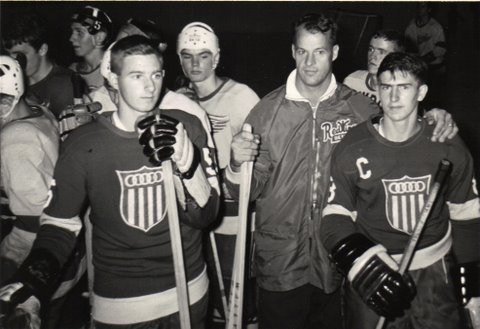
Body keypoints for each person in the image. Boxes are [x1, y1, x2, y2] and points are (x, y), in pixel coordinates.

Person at [225, 13, 457, 329]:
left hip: (335, 263)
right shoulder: (265, 112)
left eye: (319, 51)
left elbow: (403, 129)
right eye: (302, 51)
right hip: (279, 264)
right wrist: (238, 164)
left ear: (334, 53)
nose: (309, 62)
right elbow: (244, 194)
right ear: (293, 52)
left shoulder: (360, 110)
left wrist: (434, 117)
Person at [0, 35, 220, 329]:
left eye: (155, 74)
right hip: (120, 305)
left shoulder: (186, 125)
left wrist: (187, 163)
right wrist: (32, 283)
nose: (149, 85)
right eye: (136, 75)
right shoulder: (84, 143)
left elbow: (206, 216)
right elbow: (59, 227)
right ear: (113, 80)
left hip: (189, 291)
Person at [320, 52, 480, 329]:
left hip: (434, 275)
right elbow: (333, 218)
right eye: (386, 87)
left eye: (404, 87)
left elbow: (467, 217)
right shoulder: (353, 145)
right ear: (377, 91)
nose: (393, 98)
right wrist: (364, 267)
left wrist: (474, 291)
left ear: (422, 92)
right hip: (373, 271)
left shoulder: (448, 144)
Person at [176, 22, 260, 327]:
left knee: (239, 303)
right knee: (208, 299)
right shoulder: (177, 102)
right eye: (187, 56)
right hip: (196, 217)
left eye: (203, 55)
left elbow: (261, 159)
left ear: (217, 57)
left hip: (234, 218)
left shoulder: (241, 96)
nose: (195, 63)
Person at [0, 55, 87, 329]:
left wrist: (8, 258)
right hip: (71, 248)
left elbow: (34, 219)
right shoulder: (37, 108)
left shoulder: (14, 140)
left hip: (41, 260)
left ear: (6, 101)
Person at [2, 11, 78, 119]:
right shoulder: (9, 83)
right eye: (9, 55)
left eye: (19, 55)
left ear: (42, 50)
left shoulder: (65, 86)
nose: (12, 61)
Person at [343, 29, 405, 105]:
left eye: (381, 52)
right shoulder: (352, 80)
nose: (372, 56)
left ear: (397, 58)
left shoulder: (402, 93)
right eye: (371, 49)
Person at [405, 2, 447, 107]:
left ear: (429, 9)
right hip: (421, 67)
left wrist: (423, 60)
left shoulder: (436, 27)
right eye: (418, 6)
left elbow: (441, 49)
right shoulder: (412, 26)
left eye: (423, 6)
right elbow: (408, 46)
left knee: (434, 100)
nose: (420, 9)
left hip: (435, 68)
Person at [69, 6, 113, 92]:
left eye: (79, 32)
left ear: (99, 37)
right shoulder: (72, 70)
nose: (71, 38)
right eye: (72, 32)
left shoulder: (114, 71)